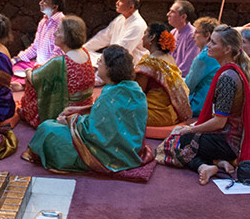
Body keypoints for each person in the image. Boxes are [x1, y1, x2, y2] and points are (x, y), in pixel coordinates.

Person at [156, 26, 250, 185]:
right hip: (230, 137)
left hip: (228, 142)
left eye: (213, 43)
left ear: (227, 49)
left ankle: (203, 165)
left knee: (175, 142)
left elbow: (220, 122)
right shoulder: (232, 70)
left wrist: (191, 129)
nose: (208, 45)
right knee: (182, 135)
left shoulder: (227, 78)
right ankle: (218, 162)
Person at [23, 45, 154, 176]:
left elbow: (94, 133)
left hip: (106, 152)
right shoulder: (133, 88)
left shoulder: (110, 95)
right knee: (53, 125)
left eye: (101, 61)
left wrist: (70, 120)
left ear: (109, 69)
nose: (97, 63)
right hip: (130, 146)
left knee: (47, 129)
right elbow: (107, 116)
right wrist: (79, 110)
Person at [19, 15, 96, 128]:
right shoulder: (85, 52)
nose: (54, 34)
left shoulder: (59, 62)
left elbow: (34, 79)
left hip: (68, 108)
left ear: (69, 36)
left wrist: (27, 71)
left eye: (58, 31)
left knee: (35, 79)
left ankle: (29, 114)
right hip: (86, 105)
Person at [135, 23, 191, 127]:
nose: (142, 37)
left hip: (156, 115)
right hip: (172, 114)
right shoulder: (169, 58)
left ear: (152, 37)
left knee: (115, 108)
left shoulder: (149, 62)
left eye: (145, 33)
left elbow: (137, 94)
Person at [11, 0, 66, 90]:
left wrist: (39, 69)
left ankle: (26, 84)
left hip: (51, 68)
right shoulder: (43, 21)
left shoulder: (62, 22)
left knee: (33, 74)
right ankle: (28, 82)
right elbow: (35, 47)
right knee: (14, 66)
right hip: (38, 65)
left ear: (55, 6)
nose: (40, 3)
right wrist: (16, 59)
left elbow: (57, 56)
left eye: (45, 1)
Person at [83, 0, 147, 64]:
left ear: (131, 7)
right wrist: (83, 49)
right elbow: (103, 37)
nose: (117, 3)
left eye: (121, 1)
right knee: (85, 56)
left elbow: (122, 50)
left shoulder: (138, 25)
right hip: (113, 58)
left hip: (128, 64)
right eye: (118, 0)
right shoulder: (120, 18)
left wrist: (103, 60)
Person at [185, 17, 221, 117]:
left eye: (197, 32)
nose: (193, 36)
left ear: (207, 35)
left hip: (199, 106)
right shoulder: (218, 53)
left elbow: (188, 86)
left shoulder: (204, 57)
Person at [167, 0, 198, 76]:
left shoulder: (193, 36)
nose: (168, 14)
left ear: (183, 17)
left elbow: (187, 67)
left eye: (172, 12)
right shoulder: (173, 32)